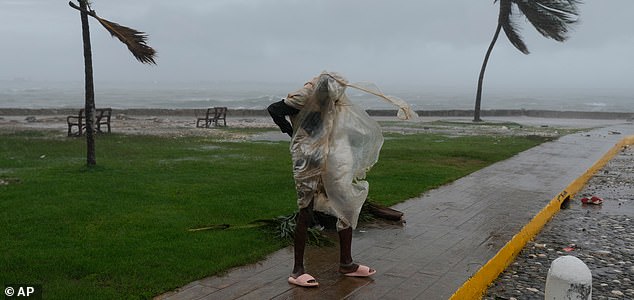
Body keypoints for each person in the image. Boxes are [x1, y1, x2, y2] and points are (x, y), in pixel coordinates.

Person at [268, 72, 378, 287]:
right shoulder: (304, 96)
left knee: (344, 205)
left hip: (331, 154)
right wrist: (294, 134)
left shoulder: (336, 98)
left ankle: (347, 263)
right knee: (306, 209)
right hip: (307, 156)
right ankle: (297, 270)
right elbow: (274, 109)